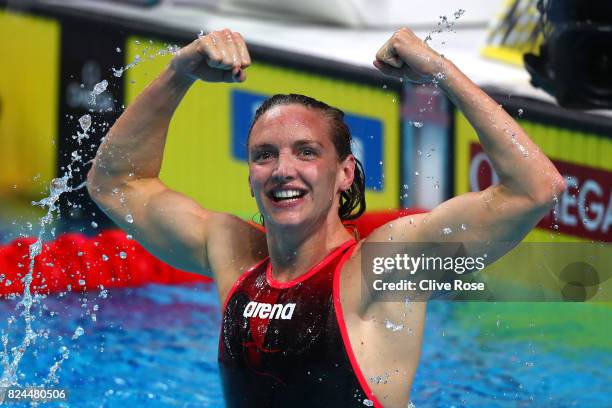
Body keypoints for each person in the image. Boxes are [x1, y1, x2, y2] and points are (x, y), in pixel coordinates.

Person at [87, 28, 566, 407]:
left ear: (345, 173)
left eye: (306, 152)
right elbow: (115, 184)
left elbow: (535, 190)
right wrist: (180, 71)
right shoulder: (231, 252)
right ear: (250, 175)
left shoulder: (383, 265)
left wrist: (441, 71)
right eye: (264, 155)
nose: (283, 171)